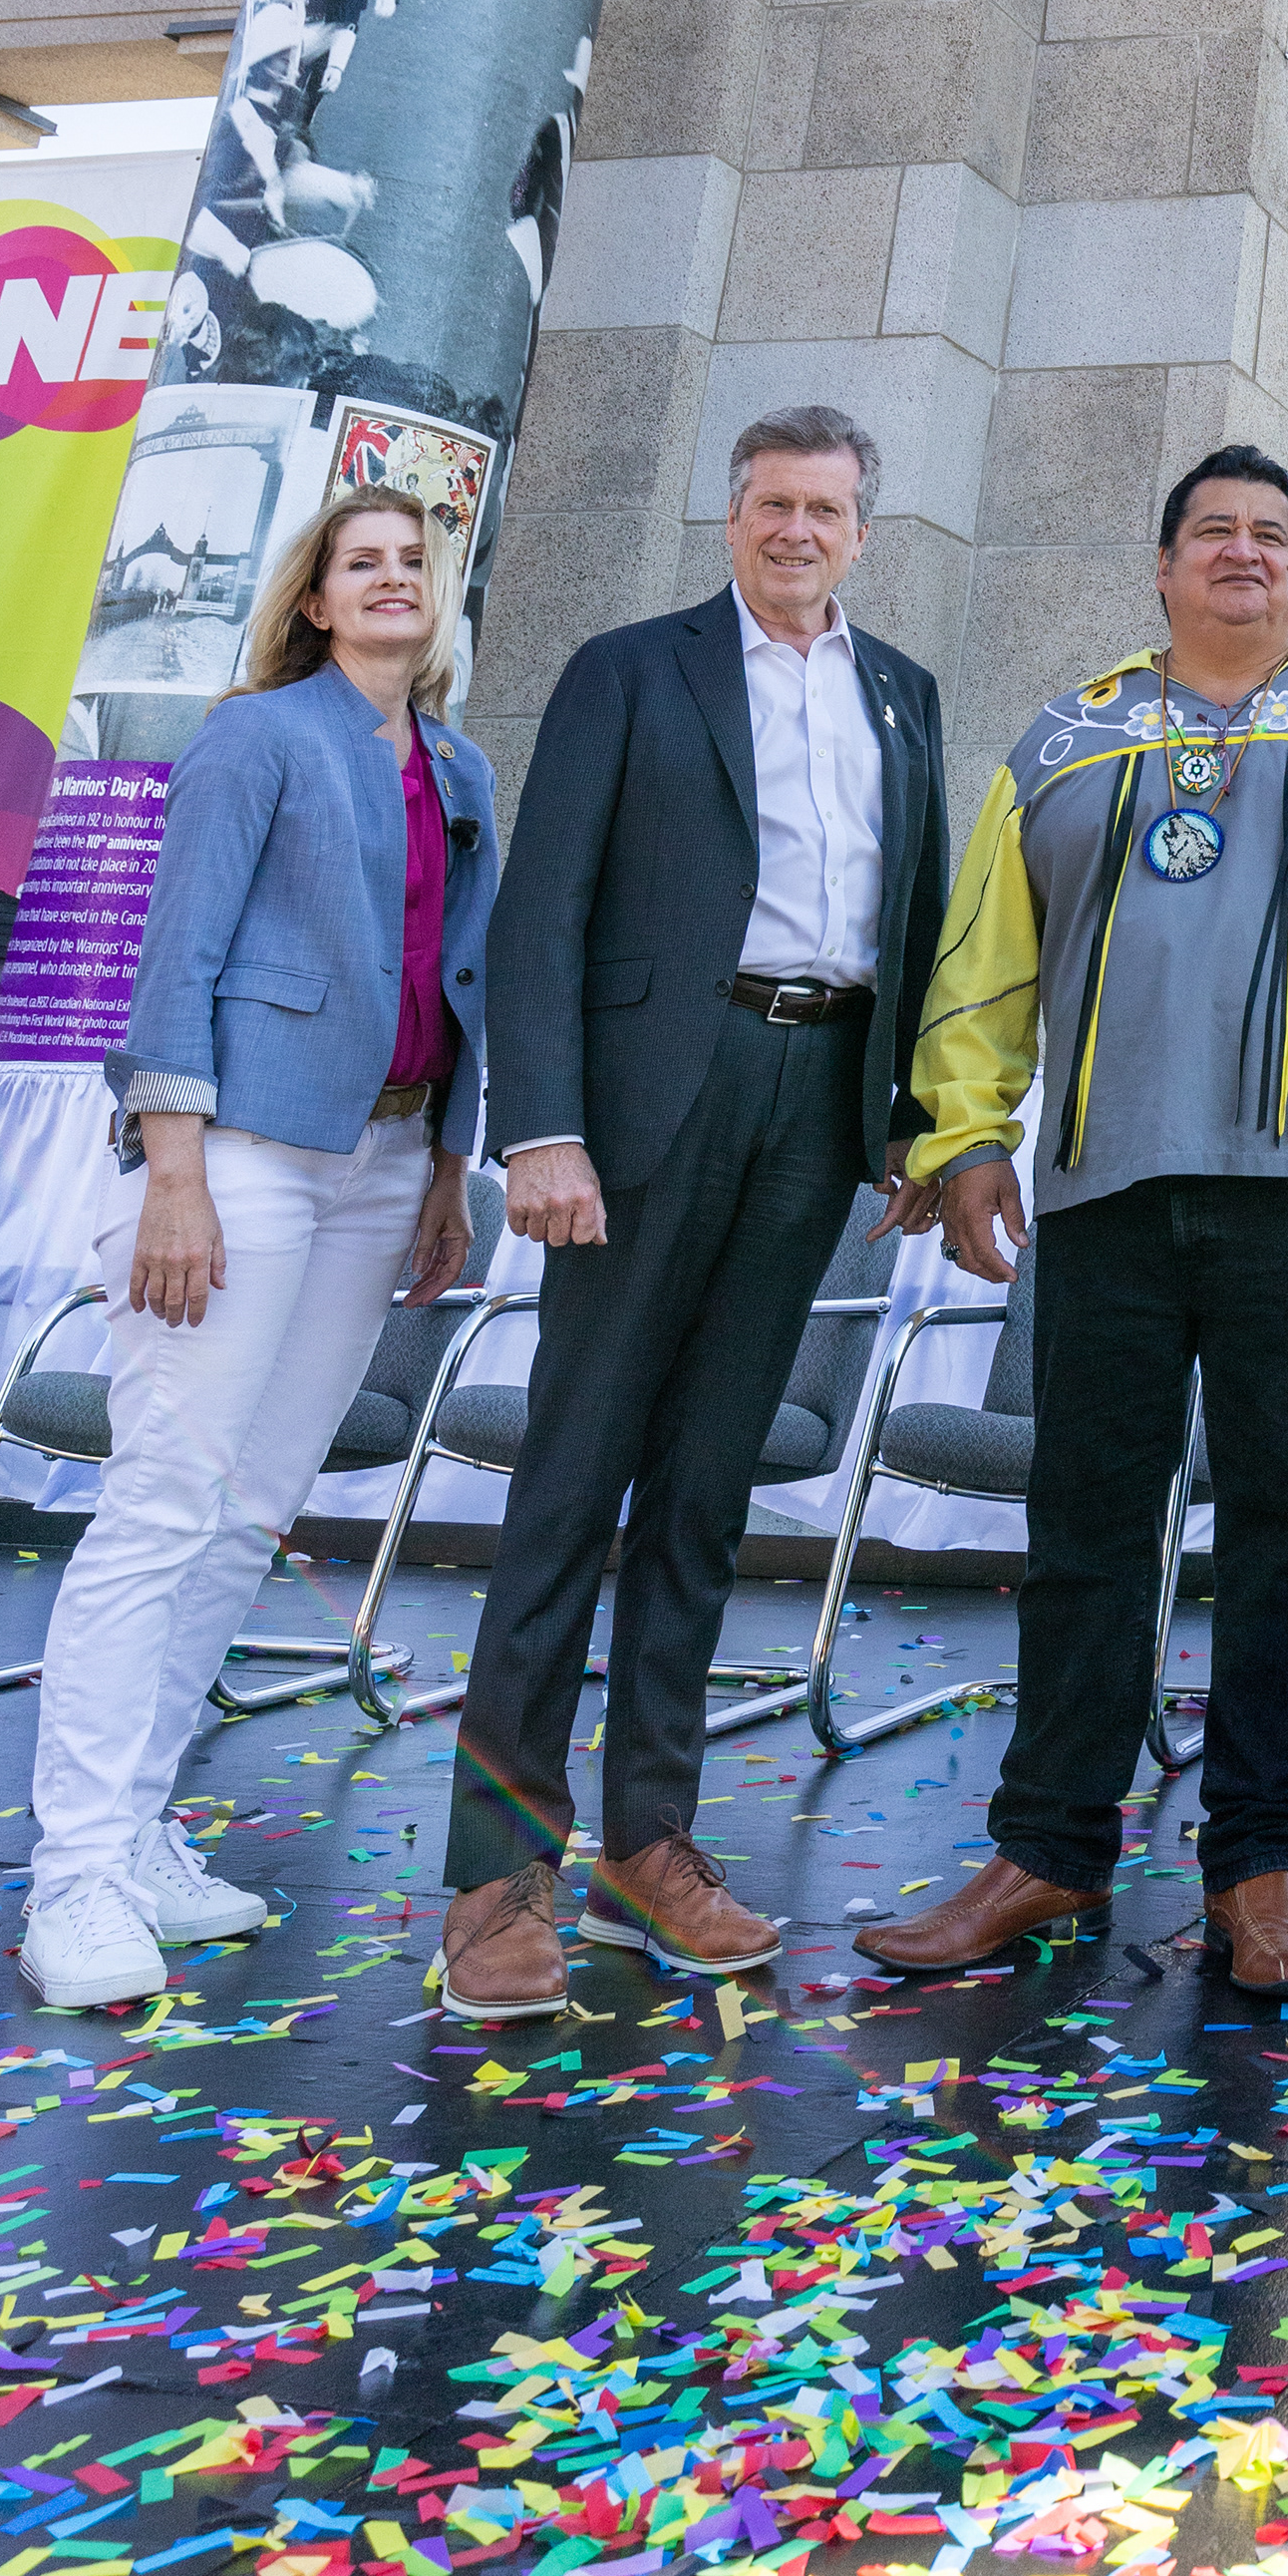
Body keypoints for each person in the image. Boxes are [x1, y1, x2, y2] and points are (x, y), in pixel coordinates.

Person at [857, 444, 1288, 2000]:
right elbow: (986, 960)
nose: (1243, 553)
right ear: (1163, 564)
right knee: (1085, 1531)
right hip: (1102, 1192)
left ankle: (1260, 1866)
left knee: (1284, 1534)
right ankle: (1048, 1852)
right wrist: (968, 1130)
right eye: (1213, 531)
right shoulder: (1065, 738)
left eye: (1271, 534)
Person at [430, 407, 952, 2015]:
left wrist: (910, 1125)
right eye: (772, 502)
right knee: (576, 1475)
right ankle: (494, 1878)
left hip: (820, 1103)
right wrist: (545, 1129)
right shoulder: (629, 668)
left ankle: (648, 1842)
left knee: (709, 1486)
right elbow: (542, 916)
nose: (798, 529)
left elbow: (918, 919)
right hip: (657, 1093)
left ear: (868, 528)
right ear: (731, 515)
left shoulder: (903, 695)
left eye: (828, 507)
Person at [30, 485, 491, 2014]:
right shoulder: (257, 735)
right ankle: (73, 1875)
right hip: (236, 1156)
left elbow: (460, 979)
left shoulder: (463, 765)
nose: (390, 580)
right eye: (361, 562)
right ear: (312, 595)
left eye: (412, 562)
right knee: (164, 1504)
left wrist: (447, 1168)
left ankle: (143, 1831)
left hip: (385, 1161)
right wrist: (173, 1170)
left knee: (249, 1513)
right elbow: (185, 951)